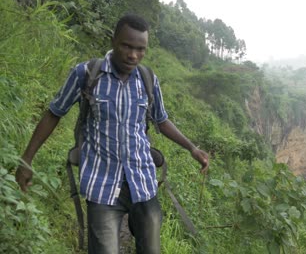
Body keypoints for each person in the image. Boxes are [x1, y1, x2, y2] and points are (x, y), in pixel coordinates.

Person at [15, 14, 209, 254]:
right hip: (101, 184)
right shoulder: (87, 74)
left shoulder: (148, 80)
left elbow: (161, 119)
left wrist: (192, 147)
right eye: (127, 46)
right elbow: (54, 113)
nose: (133, 55)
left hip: (143, 182)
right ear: (114, 39)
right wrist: (27, 159)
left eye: (140, 49)